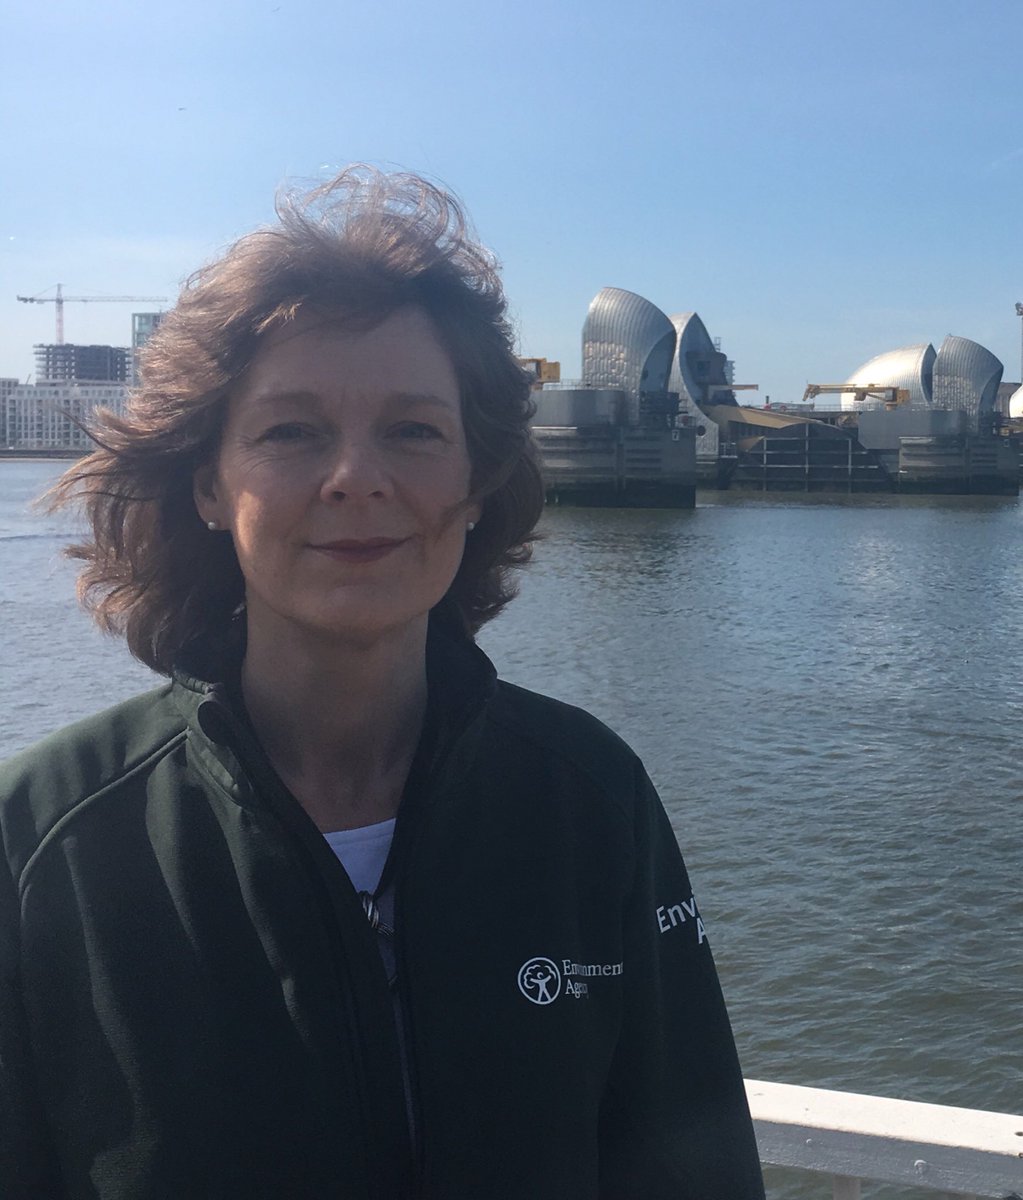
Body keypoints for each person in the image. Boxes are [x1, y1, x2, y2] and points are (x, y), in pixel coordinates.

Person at [0, 168, 764, 1199]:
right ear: (209, 485)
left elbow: (693, 1168)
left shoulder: (591, 798)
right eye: (290, 431)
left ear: (475, 480)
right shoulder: (51, 837)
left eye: (413, 430)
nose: (355, 476)